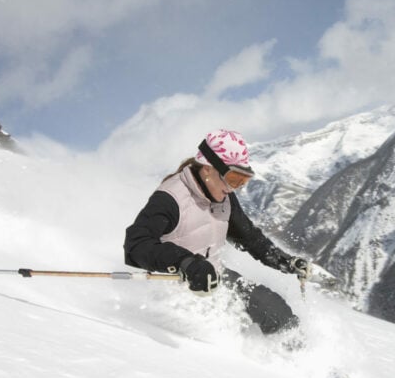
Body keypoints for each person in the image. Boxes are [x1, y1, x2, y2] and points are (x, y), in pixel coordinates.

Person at [124, 129, 310, 337]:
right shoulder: (170, 198)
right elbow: (136, 244)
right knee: (220, 333)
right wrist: (186, 263)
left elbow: (250, 238)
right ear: (207, 169)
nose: (235, 188)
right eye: (233, 178)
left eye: (243, 181)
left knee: (276, 311)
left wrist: (285, 261)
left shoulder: (225, 198)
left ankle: (295, 362)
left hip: (215, 277)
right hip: (176, 286)